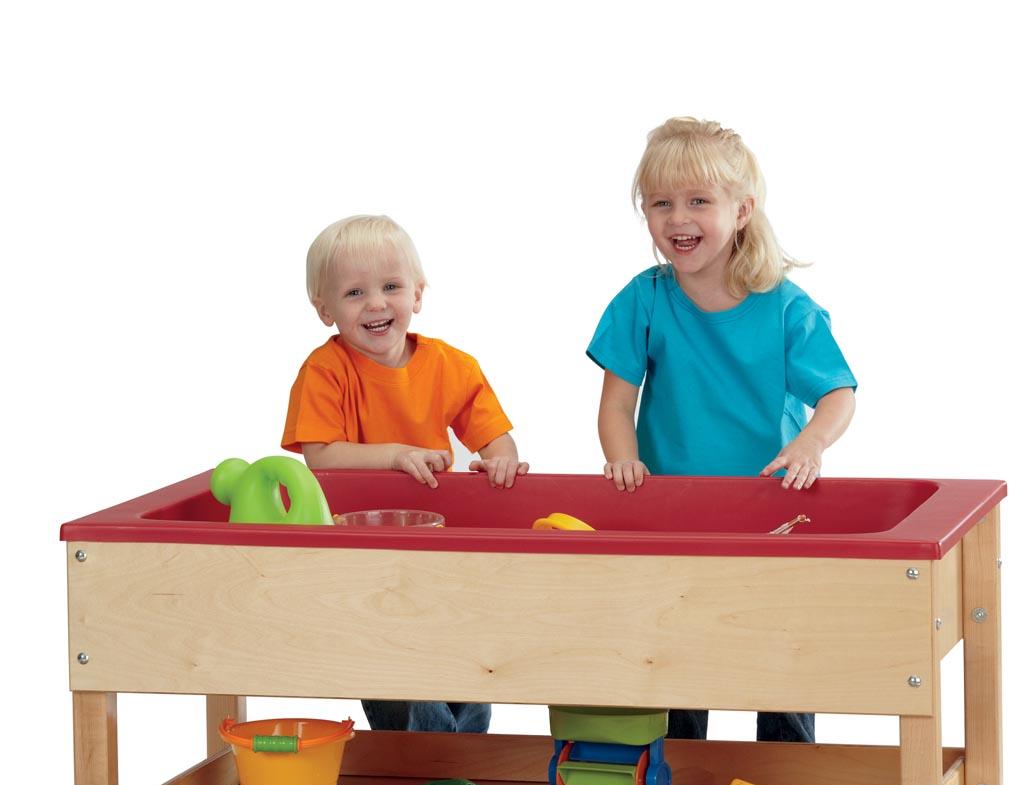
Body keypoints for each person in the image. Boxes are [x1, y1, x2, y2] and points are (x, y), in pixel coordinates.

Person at [588, 118, 857, 743]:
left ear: (742, 211)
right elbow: (615, 406)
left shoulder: (786, 305)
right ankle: (677, 776)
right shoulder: (645, 298)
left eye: (698, 201)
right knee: (675, 652)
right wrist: (623, 462)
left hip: (773, 510)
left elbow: (838, 394)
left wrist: (809, 444)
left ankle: (788, 779)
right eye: (661, 204)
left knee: (779, 655)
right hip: (672, 511)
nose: (678, 218)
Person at [283, 214, 527, 733]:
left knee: (464, 663)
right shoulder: (325, 371)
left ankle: (461, 762)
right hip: (363, 558)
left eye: (391, 287)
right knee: (398, 674)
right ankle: (415, 764)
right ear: (325, 309)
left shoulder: (450, 365)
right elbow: (321, 455)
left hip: (438, 551)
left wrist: (500, 458)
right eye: (354, 292)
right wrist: (394, 455)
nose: (375, 303)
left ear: (417, 294)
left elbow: (494, 436)